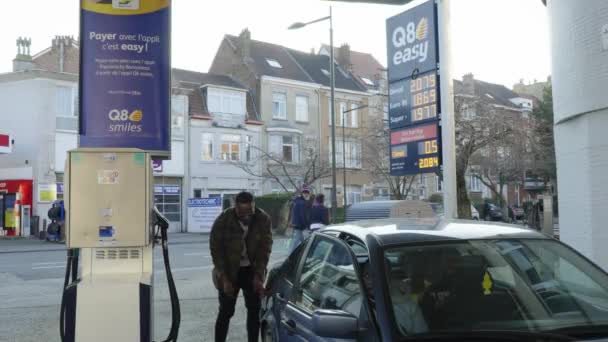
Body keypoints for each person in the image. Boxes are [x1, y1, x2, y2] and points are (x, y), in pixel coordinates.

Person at [210, 191, 273, 342]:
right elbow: (216, 251)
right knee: (225, 312)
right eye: (242, 212)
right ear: (235, 207)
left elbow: (265, 248)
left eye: (249, 212)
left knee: (254, 311)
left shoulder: (262, 219)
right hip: (229, 271)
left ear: (254, 206)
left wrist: (259, 275)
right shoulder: (223, 220)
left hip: (251, 270)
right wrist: (224, 279)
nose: (246, 216)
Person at [289, 186, 312, 252]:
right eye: (305, 193)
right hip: (300, 225)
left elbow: (294, 213)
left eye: (307, 193)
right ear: (302, 193)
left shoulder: (297, 201)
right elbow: (302, 215)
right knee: (297, 240)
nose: (306, 194)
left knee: (302, 240)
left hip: (296, 223)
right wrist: (306, 225)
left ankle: (304, 252)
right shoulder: (302, 203)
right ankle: (290, 254)